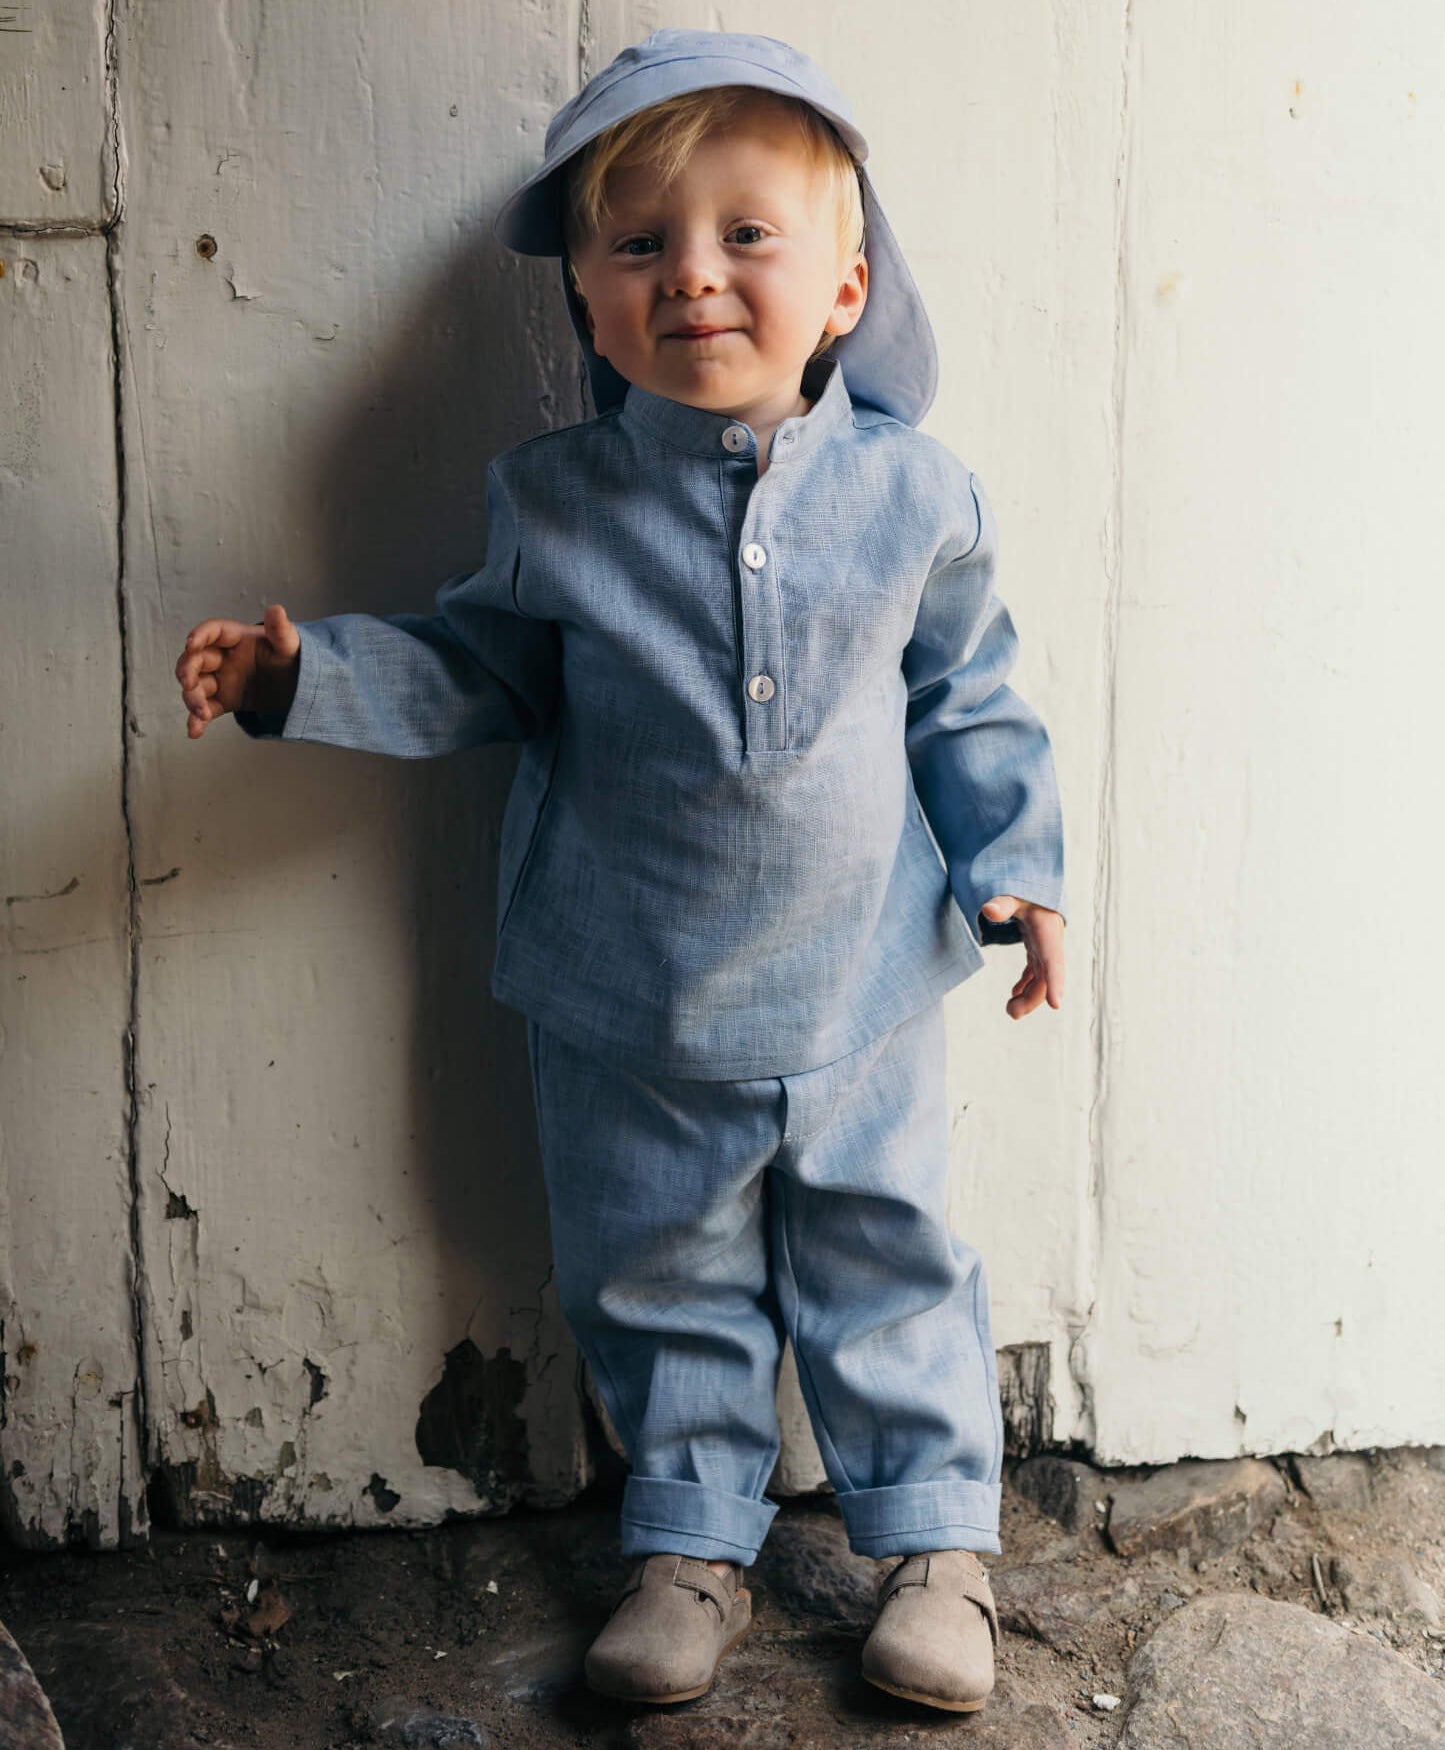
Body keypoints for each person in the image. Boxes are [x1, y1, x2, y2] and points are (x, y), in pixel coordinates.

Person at [174, 29, 1067, 1715]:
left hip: (862, 988)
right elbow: (480, 667)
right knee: (659, 1278)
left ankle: (938, 1542)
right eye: (639, 242)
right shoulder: (558, 505)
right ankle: (689, 1540)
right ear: (583, 298)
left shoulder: (913, 498)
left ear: (851, 285)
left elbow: (970, 693)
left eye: (749, 236)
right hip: (628, 996)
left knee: (888, 1255)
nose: (694, 276)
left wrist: (1019, 870)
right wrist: (307, 679)